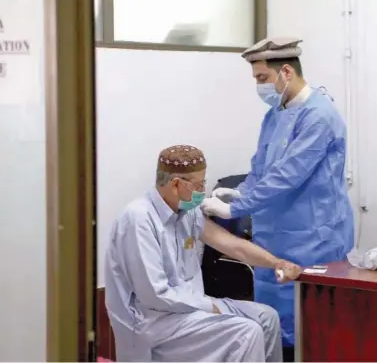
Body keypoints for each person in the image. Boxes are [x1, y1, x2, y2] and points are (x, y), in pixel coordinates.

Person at [200, 37, 355, 358]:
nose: (259, 87)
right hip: (273, 236)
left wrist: (235, 208)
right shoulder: (277, 113)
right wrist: (242, 190)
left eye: (262, 79)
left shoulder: (319, 117)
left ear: (286, 71)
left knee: (311, 325)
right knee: (273, 320)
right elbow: (262, 166)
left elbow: (289, 174)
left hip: (314, 238)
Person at [104, 144, 302, 362]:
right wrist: (211, 306)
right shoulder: (139, 220)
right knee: (246, 333)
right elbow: (155, 296)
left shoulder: (186, 212)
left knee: (267, 318)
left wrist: (276, 263)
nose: (202, 192)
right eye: (199, 185)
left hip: (189, 309)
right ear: (176, 184)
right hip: (153, 323)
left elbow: (231, 244)